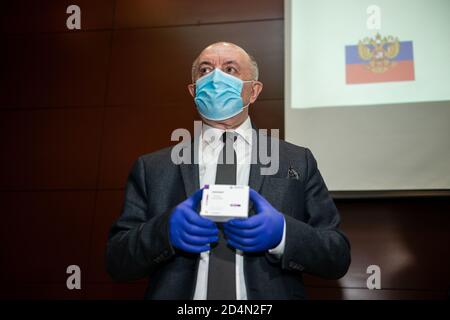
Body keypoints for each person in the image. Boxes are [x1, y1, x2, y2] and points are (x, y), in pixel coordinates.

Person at [106, 42, 351, 300]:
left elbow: (337, 256)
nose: (215, 78)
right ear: (193, 90)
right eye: (205, 70)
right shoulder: (152, 168)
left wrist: (283, 234)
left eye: (230, 69)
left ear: (254, 91)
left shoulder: (298, 160)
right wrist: (163, 232)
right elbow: (117, 261)